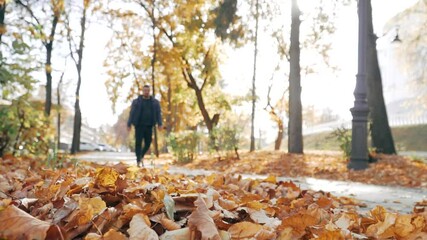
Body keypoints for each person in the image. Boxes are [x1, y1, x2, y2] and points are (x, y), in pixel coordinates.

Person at [127, 85, 162, 167]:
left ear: (149, 91)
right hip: (139, 125)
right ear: (142, 91)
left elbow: (158, 114)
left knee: (148, 143)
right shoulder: (136, 102)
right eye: (145, 90)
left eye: (147, 90)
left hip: (149, 126)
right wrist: (129, 124)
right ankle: (138, 160)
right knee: (138, 143)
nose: (146, 92)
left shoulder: (155, 102)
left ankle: (141, 155)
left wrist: (160, 124)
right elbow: (131, 113)